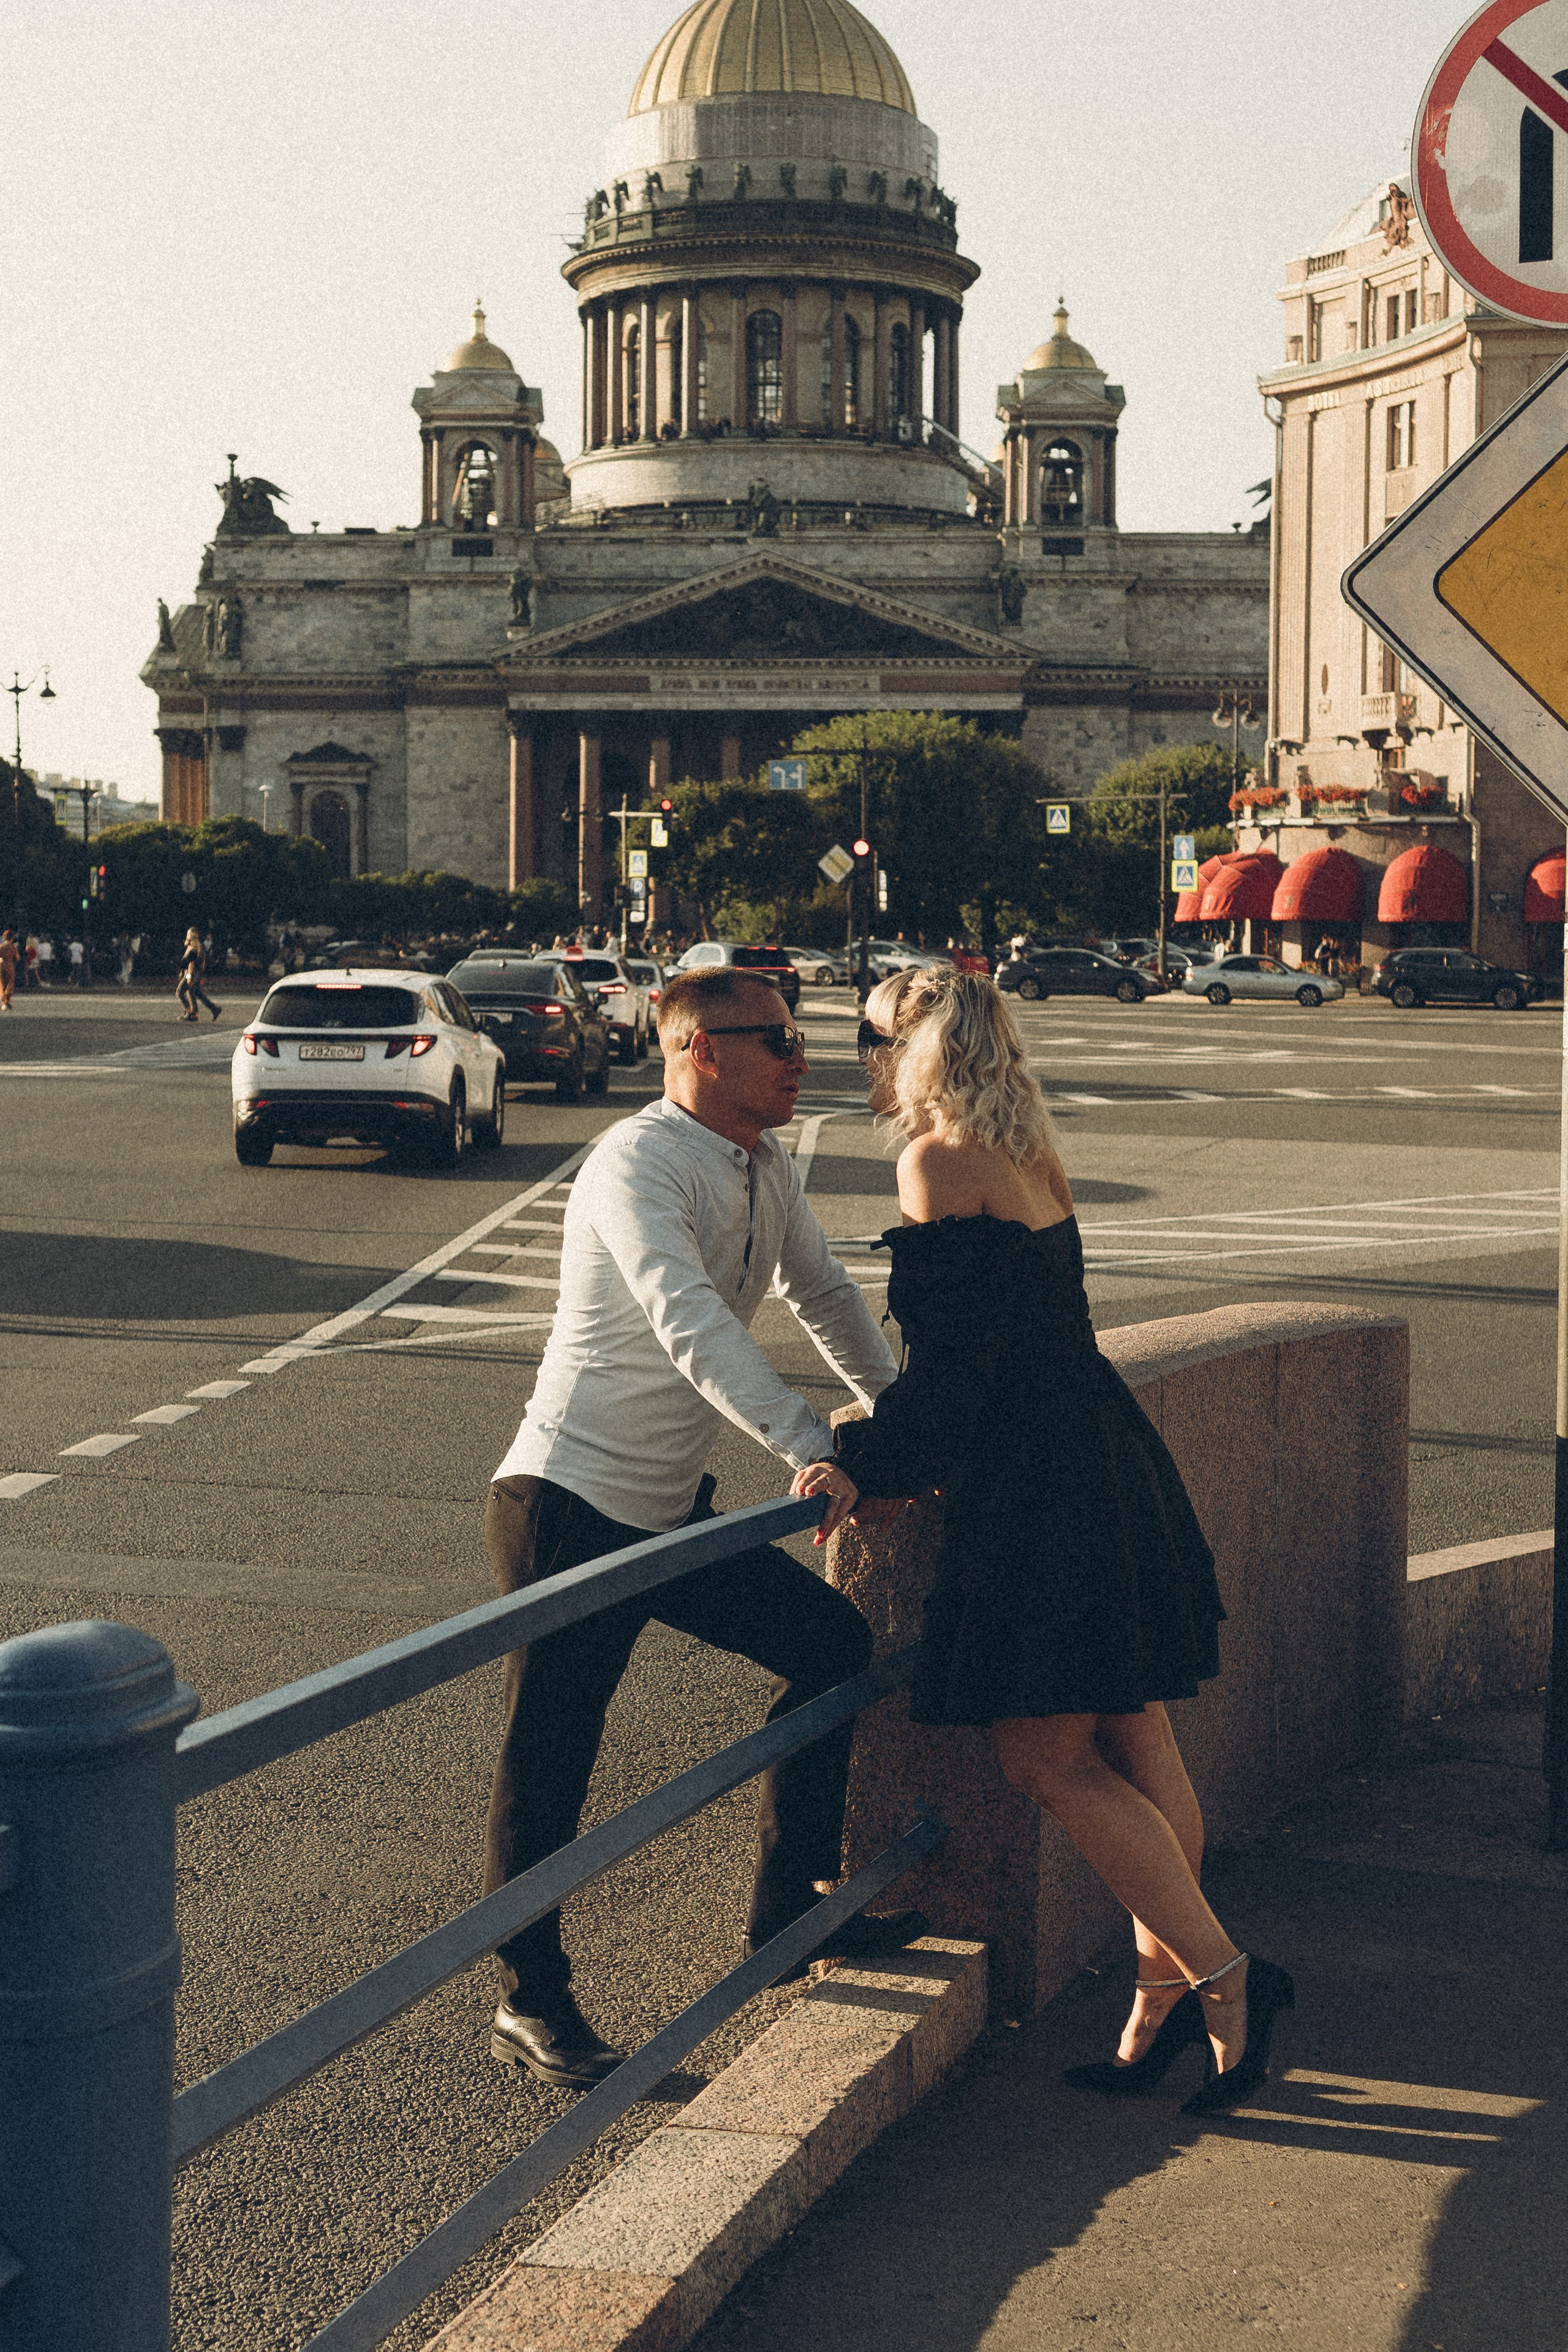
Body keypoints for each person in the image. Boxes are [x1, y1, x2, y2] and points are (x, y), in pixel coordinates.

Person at [791, 968, 1294, 2116]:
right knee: (1138, 1740)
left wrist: (863, 1464)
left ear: (906, 1056)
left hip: (1036, 1487)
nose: (860, 1064)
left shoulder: (935, 1162)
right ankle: (1158, 2006)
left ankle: (1228, 1982)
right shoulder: (1029, 1153)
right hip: (1099, 1456)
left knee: (1048, 1761)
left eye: (868, 1043)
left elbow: (958, 1374)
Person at [483, 966, 925, 2090]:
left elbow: (823, 1292)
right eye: (774, 1039)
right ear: (696, 1050)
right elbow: (686, 1320)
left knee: (830, 1649)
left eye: (797, 1037)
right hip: (570, 1507)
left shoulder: (765, 1164)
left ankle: (787, 1916)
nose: (799, 1058)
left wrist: (902, 1426)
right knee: (551, 1765)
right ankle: (531, 2002)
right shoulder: (636, 1164)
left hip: (672, 1511)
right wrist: (805, 1444)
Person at [176, 929, 221, 1022]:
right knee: (195, 993)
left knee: (180, 992)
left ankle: (190, 1012)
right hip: (193, 974)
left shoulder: (195, 947)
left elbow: (192, 964)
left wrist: (189, 977)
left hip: (192, 974)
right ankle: (211, 1010)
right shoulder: (193, 946)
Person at [0, 930, 16, 1011]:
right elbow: (17, 957)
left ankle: (3, 1002)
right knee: (10, 983)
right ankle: (6, 999)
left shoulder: (1, 946)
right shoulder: (13, 947)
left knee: (2, 984)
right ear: (12, 938)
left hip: (1, 966)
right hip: (10, 966)